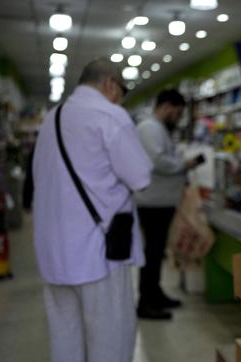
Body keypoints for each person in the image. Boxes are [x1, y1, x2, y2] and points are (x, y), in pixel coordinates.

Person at [32, 59, 153, 362]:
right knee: (110, 341)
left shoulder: (51, 119)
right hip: (97, 253)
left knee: (65, 341)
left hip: (54, 253)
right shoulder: (110, 116)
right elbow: (141, 177)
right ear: (111, 84)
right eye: (122, 90)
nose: (121, 97)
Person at [135, 89, 201, 320]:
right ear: (165, 106)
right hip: (152, 202)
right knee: (152, 253)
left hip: (160, 201)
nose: (178, 117)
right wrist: (185, 165)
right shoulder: (150, 128)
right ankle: (145, 302)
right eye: (177, 112)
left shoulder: (157, 128)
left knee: (156, 252)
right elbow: (158, 161)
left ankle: (155, 294)